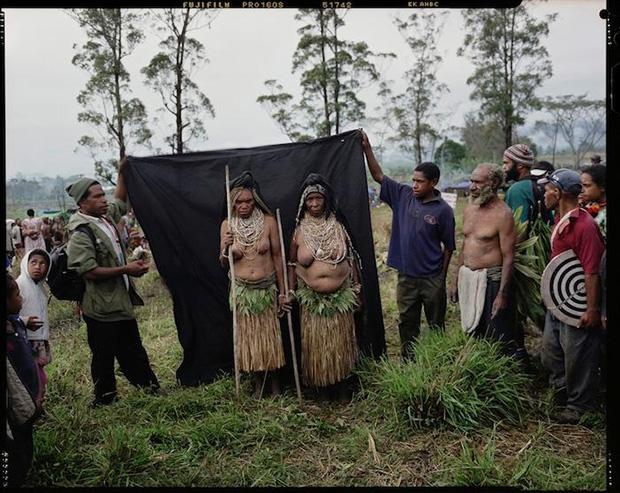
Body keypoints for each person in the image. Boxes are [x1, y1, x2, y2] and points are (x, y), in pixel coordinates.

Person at [65, 158, 159, 407]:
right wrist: (126, 269)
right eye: (97, 196)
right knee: (103, 354)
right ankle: (105, 399)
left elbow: (119, 199)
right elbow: (89, 271)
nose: (104, 199)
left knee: (132, 349)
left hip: (118, 300)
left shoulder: (104, 218)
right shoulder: (81, 232)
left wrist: (121, 173)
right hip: (100, 305)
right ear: (83, 202)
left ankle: (149, 388)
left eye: (102, 194)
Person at [360, 129, 455, 360]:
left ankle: (436, 360)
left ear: (433, 183)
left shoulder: (443, 211)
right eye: (413, 180)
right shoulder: (403, 195)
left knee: (435, 323)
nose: (414, 185)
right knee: (406, 321)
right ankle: (408, 361)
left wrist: (441, 277)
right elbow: (378, 175)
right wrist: (367, 149)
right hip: (406, 277)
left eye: (420, 182)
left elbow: (449, 246)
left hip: (432, 278)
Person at [538, 169, 605, 424]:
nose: (544, 193)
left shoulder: (584, 225)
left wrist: (591, 309)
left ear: (559, 193)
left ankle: (581, 407)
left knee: (578, 355)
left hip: (577, 304)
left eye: (548, 189)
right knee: (550, 352)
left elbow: (591, 270)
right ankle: (560, 394)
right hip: (559, 300)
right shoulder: (560, 219)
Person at [288, 173, 362, 401]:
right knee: (318, 349)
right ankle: (321, 389)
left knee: (339, 347)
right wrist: (290, 292)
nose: (314, 203)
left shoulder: (339, 227)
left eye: (318, 198)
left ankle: (341, 386)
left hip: (341, 299)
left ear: (326, 199)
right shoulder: (299, 231)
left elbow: (352, 259)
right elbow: (291, 264)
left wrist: (358, 288)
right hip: (312, 303)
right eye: (309, 199)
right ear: (303, 203)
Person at [219, 171, 290, 398]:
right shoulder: (227, 225)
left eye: (248, 201)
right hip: (243, 293)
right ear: (233, 203)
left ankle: (276, 384)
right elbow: (222, 263)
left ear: (255, 200)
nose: (244, 206)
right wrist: (226, 248)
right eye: (239, 202)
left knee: (271, 339)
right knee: (251, 342)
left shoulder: (268, 222)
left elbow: (279, 257)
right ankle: (259, 383)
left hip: (267, 290)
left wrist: (283, 292)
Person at [449, 164, 523, 358]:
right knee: (475, 334)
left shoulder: (503, 215)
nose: (472, 186)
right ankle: (479, 374)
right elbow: (465, 247)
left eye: (478, 182)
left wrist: (502, 294)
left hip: (492, 281)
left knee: (497, 337)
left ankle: (505, 375)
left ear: (494, 183)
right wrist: (456, 280)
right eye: (472, 181)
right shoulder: (470, 210)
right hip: (469, 279)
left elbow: (509, 257)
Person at [6, 273, 44, 487]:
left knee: (26, 442)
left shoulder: (15, 323)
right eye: (17, 295)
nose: (21, 300)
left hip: (31, 398)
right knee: (16, 448)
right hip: (14, 408)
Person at [17, 248, 52, 401]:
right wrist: (24, 322)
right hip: (24, 340)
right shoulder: (19, 285)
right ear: (26, 264)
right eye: (34, 262)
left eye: (43, 263)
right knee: (31, 376)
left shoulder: (40, 287)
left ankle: (37, 403)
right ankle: (31, 405)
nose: (38, 267)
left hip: (39, 339)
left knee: (39, 375)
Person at [502, 144, 552, 226]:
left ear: (520, 165)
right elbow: (551, 223)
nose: (503, 167)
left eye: (506, 163)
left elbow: (519, 229)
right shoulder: (541, 186)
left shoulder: (517, 190)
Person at [579, 164, 606, 240]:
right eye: (581, 186)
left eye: (586, 186)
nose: (581, 190)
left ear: (602, 187)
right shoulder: (588, 206)